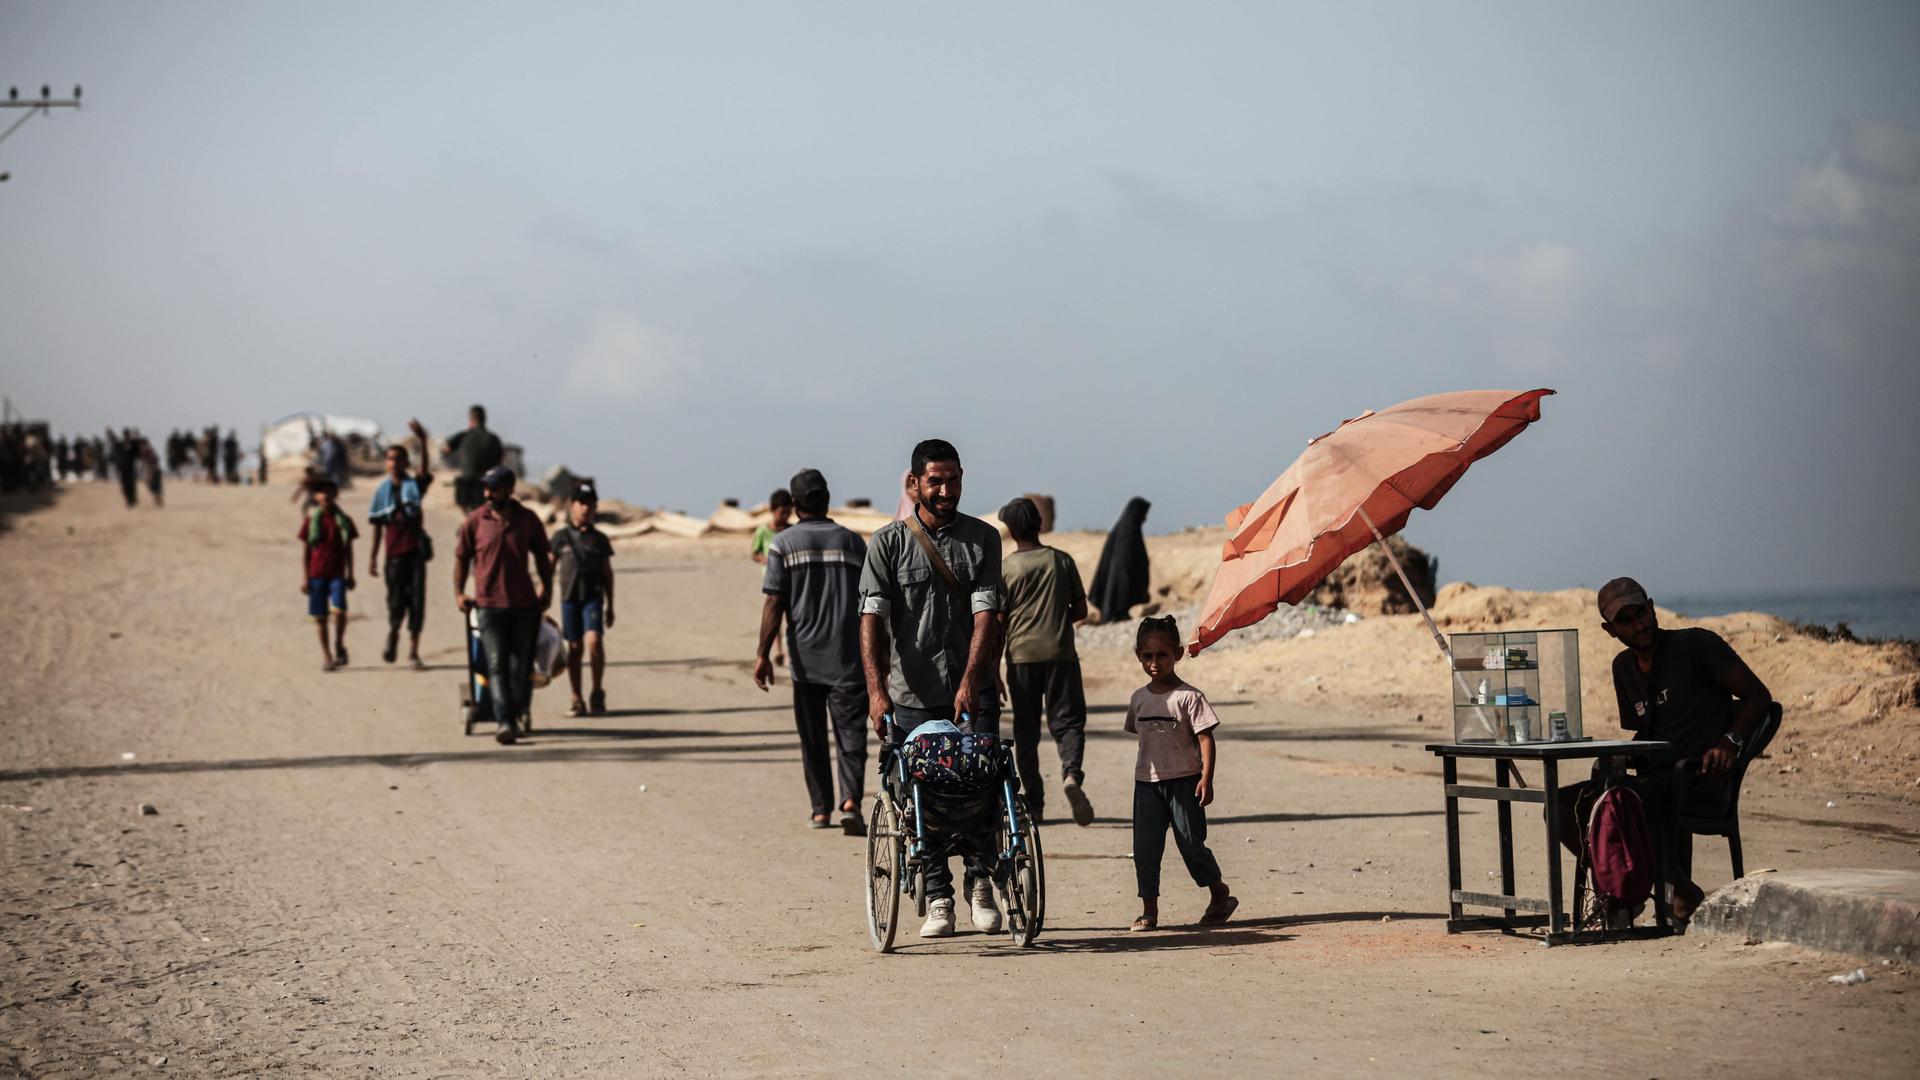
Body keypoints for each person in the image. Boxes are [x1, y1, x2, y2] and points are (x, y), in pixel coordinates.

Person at [1558, 577, 1775, 925]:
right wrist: (1616, 758)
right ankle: (1625, 893)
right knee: (1563, 806)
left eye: (1641, 612)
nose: (1638, 624)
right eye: (1625, 620)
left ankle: (1666, 896)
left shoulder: (1696, 645)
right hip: (1653, 780)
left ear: (1653, 607)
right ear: (1610, 629)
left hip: (1698, 778)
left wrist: (1729, 742)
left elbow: (1759, 697)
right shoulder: (1623, 668)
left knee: (1618, 802)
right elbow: (1648, 732)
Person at [859, 438, 1005, 938]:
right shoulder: (887, 544)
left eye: (954, 479)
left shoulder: (984, 539)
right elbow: (871, 622)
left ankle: (982, 884)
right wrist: (877, 694)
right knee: (922, 792)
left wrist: (971, 679)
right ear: (913, 484)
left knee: (984, 786)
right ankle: (939, 895)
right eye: (935, 481)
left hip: (974, 692)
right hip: (912, 696)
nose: (946, 490)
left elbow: (987, 614)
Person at [754, 468, 869, 832]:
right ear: (826, 499)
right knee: (851, 734)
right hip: (849, 658)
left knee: (813, 736)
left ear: (794, 505)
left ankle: (821, 810)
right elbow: (871, 602)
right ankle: (850, 800)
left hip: (805, 660)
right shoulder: (853, 543)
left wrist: (762, 653)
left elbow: (774, 602)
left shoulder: (783, 545)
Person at [1126, 614, 1236, 931]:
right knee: (1146, 848)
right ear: (1138, 656)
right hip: (1146, 786)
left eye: (1162, 655)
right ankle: (1149, 911)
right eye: (1147, 656)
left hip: (1185, 783)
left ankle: (1219, 892)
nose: (1155, 663)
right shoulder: (1139, 699)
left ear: (1178, 653)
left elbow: (1206, 738)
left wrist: (1206, 777)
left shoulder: (1190, 698)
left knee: (1190, 843)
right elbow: (1141, 734)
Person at [997, 496, 1095, 827]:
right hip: (1060, 655)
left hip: (1021, 658)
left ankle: (1035, 805)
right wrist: (1056, 617)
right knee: (1067, 723)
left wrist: (993, 669)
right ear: (1039, 524)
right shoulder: (1061, 561)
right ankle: (1071, 774)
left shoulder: (1006, 568)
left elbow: (998, 622)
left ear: (1010, 530)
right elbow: (1081, 610)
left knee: (1026, 733)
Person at [454, 465, 553, 745]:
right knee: (496, 664)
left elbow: (543, 555)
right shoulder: (475, 521)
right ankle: (504, 722)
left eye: (494, 488)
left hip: (524, 606)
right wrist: (459, 593)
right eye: (486, 488)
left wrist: (546, 587)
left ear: (510, 490)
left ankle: (517, 710)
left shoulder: (528, 520)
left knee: (520, 667)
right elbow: (461, 558)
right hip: (488, 606)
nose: (488, 494)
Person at [367, 420, 434, 670]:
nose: (393, 462)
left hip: (415, 554)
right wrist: (373, 558)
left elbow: (425, 472)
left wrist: (423, 440)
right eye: (390, 458)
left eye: (398, 458)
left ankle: (413, 652)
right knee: (396, 602)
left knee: (417, 603)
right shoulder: (381, 492)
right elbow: (377, 527)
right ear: (386, 463)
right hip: (393, 556)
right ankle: (394, 632)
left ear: (406, 463)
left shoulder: (413, 487)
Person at [551, 482, 616, 717]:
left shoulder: (600, 540)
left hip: (593, 599)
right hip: (569, 599)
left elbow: (608, 573)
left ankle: (597, 692)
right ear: (572, 506)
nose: (586, 509)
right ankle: (576, 696)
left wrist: (611, 606)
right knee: (575, 648)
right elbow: (548, 568)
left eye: (590, 504)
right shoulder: (560, 537)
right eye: (582, 504)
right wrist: (542, 597)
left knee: (594, 642)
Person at [298, 478, 358, 670]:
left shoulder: (344, 521)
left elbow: (349, 549)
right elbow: (306, 551)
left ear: (335, 495)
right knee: (321, 618)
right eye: (322, 493)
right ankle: (327, 656)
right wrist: (306, 577)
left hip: (337, 575)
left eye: (330, 492)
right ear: (316, 497)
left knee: (339, 611)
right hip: (316, 575)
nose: (326, 496)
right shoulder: (311, 521)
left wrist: (351, 574)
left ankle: (339, 643)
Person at [1089, 497, 1151, 623]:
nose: (1145, 518)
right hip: (1121, 578)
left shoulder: (1127, 530)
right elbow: (1125, 563)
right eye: (1144, 514)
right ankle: (1117, 612)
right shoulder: (1128, 533)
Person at [451, 404, 504, 514]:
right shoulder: (494, 439)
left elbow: (446, 448)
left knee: (470, 516)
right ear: (485, 419)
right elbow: (499, 463)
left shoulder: (464, 436)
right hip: (485, 486)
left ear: (471, 419)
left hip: (465, 486)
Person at [750, 489, 793, 564]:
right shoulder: (762, 531)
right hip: (769, 574)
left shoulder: (792, 531)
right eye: (783, 513)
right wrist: (764, 559)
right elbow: (754, 554)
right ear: (773, 509)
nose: (786, 516)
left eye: (788, 512)